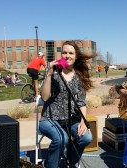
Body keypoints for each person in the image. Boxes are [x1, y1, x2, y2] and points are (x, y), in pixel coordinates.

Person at [39, 40, 94, 168]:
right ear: (61, 54)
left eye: (71, 53)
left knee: (86, 138)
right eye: (64, 52)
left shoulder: (78, 76)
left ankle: (68, 160)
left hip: (71, 120)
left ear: (76, 56)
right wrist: (48, 75)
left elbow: (81, 102)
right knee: (61, 138)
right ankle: (51, 165)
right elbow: (45, 97)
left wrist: (82, 121)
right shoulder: (54, 71)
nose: (67, 56)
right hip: (49, 119)